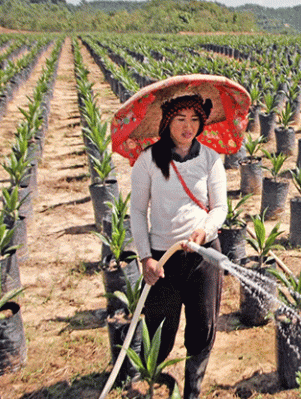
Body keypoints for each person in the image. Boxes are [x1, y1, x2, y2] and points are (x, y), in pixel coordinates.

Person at [130, 93, 228, 399]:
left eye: (195, 120)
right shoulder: (148, 159)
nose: (188, 127)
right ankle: (151, 381)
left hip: (202, 256)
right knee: (160, 327)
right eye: (181, 119)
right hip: (162, 260)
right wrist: (145, 257)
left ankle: (192, 391)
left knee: (203, 327)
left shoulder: (210, 159)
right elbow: (136, 210)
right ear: (167, 122)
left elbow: (220, 208)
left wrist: (204, 230)